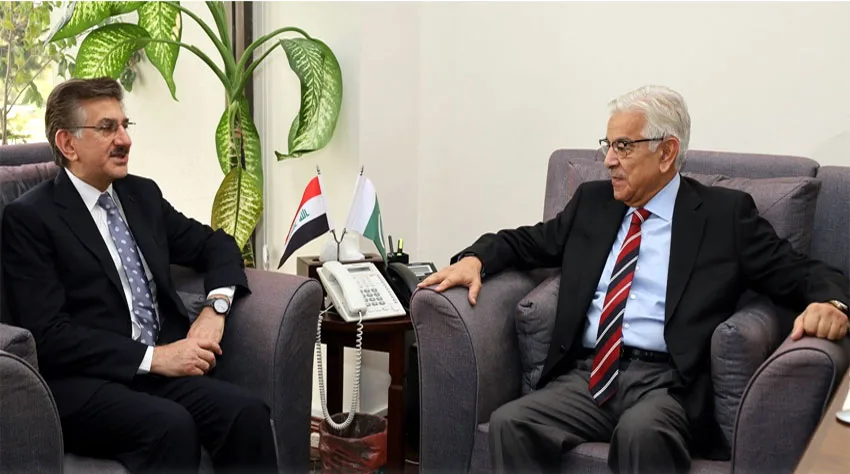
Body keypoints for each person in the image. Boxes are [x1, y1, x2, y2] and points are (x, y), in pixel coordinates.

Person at [418, 85, 850, 473]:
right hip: (587, 374)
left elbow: (801, 271)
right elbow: (529, 242)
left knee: (641, 433)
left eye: (623, 146)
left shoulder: (723, 216)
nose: (608, 160)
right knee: (512, 423)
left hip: (667, 384)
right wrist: (476, 258)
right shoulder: (594, 203)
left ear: (666, 153)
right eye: (608, 145)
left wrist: (831, 303)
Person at [1, 78, 278, 473]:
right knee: (171, 426)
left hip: (161, 373)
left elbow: (216, 244)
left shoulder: (140, 196)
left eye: (125, 125)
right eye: (107, 128)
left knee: (247, 413)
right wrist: (156, 358)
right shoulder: (30, 219)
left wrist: (215, 309)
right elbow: (49, 336)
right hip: (86, 382)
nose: (125, 140)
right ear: (67, 144)